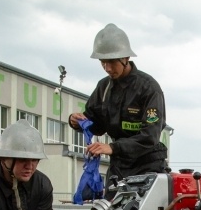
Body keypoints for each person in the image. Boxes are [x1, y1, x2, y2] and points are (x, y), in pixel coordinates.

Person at [67, 23, 167, 199]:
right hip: (119, 166)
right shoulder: (103, 87)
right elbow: (95, 124)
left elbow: (150, 136)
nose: (107, 68)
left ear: (126, 58)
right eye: (103, 62)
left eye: (112, 62)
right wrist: (77, 121)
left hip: (148, 165)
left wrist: (112, 147)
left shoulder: (149, 88)